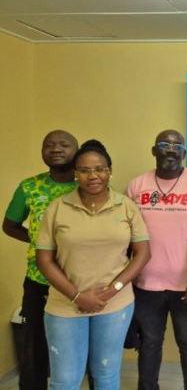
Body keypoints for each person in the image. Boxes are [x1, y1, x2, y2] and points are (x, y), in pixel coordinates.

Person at [35, 139, 151, 390]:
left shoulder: (126, 206)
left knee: (106, 374)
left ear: (109, 171)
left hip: (115, 304)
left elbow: (142, 254)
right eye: (85, 170)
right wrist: (77, 296)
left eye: (99, 169)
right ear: (76, 174)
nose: (93, 176)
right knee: (65, 381)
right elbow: (44, 260)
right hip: (65, 305)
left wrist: (111, 291)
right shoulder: (57, 208)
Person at [125, 130, 187, 390]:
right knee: (149, 344)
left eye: (177, 145)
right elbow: (124, 236)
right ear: (153, 150)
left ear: (184, 152)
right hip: (145, 284)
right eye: (164, 144)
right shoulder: (136, 186)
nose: (171, 149)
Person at [3, 130, 79, 390]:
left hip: (80, 281)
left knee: (78, 344)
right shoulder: (29, 187)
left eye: (64, 145)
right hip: (39, 279)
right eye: (49, 145)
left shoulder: (90, 185)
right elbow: (10, 226)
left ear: (76, 151)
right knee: (34, 343)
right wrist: (40, 244)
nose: (56, 149)